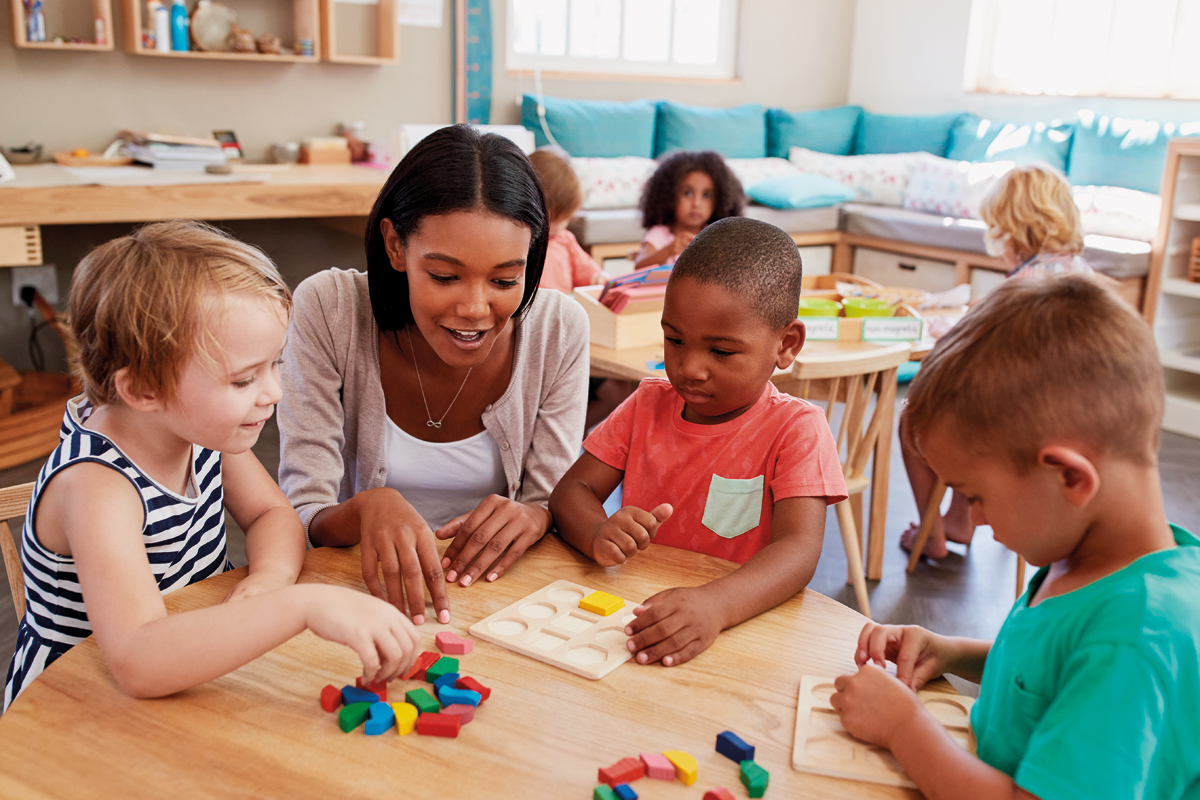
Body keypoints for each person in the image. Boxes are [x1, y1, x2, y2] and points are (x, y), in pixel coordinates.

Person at [4, 221, 420, 711]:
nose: (274, 393)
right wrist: (301, 605)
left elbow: (272, 515)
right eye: (244, 380)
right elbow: (139, 659)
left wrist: (268, 581)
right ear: (142, 390)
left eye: (275, 364)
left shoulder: (197, 429)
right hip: (79, 706)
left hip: (191, 664)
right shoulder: (97, 487)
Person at [831, 275, 1200, 800]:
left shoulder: (1133, 639)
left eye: (973, 496)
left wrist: (903, 729)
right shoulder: (1090, 556)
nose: (974, 520)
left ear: (1069, 478)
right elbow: (1053, 670)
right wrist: (952, 652)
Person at [278, 126, 589, 625]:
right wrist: (364, 508)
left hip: (501, 604)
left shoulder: (557, 328)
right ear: (395, 246)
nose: (475, 308)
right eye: (444, 276)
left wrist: (538, 514)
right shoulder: (329, 309)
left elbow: (548, 500)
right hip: (354, 600)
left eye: (506, 280)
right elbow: (299, 513)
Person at [550, 217, 847, 667]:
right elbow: (572, 491)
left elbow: (798, 551)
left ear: (786, 344)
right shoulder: (646, 405)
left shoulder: (796, 429)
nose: (690, 367)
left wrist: (716, 605)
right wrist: (597, 532)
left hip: (738, 628)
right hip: (637, 614)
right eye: (675, 340)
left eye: (721, 351)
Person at [901, 162, 1094, 559]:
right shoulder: (1084, 277)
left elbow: (963, 351)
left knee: (915, 419)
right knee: (969, 406)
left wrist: (944, 329)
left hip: (1014, 431)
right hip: (1069, 427)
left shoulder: (1020, 291)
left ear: (1014, 231)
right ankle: (959, 522)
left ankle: (932, 533)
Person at [633, 150, 744, 270]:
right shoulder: (659, 234)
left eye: (706, 195)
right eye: (687, 193)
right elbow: (639, 267)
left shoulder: (715, 234)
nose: (696, 204)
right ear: (668, 195)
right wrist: (668, 251)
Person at [528, 148, 606, 293]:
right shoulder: (520, 243)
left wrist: (599, 279)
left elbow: (591, 274)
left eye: (565, 218)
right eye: (554, 218)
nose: (559, 226)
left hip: (562, 312)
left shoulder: (565, 239)